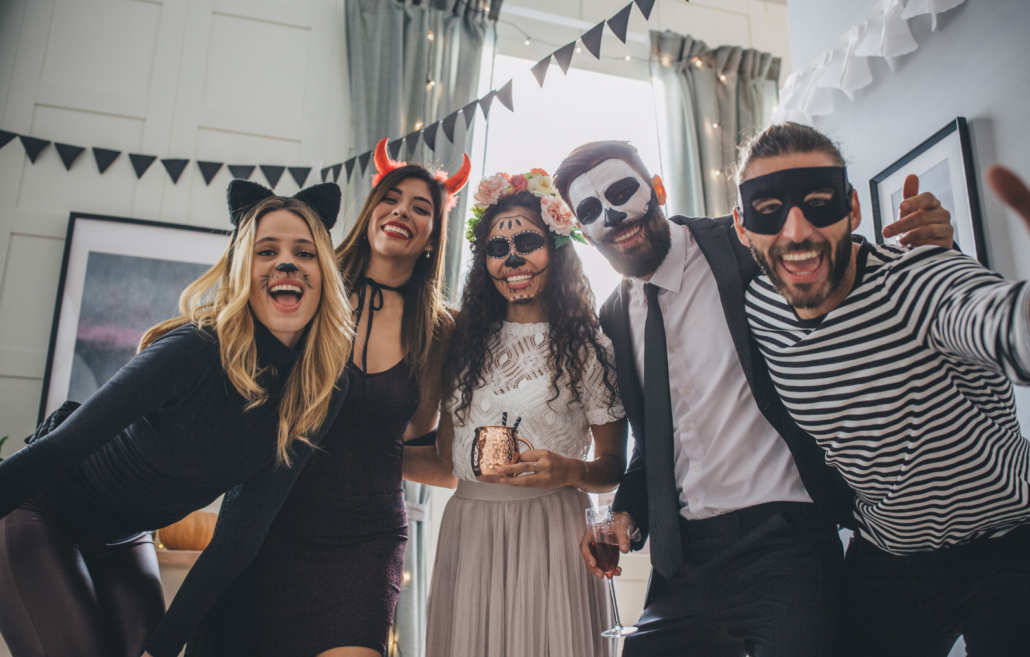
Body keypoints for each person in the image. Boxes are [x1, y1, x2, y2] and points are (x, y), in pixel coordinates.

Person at [552, 140, 956, 656]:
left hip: (784, 537)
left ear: (656, 189)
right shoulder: (613, 319)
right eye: (590, 210)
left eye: (622, 192)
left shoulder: (741, 245)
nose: (613, 216)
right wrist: (628, 515)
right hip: (683, 562)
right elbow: (649, 447)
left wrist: (929, 250)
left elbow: (836, 266)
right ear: (583, 230)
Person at [0, 180, 352, 657]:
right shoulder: (196, 349)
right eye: (266, 251)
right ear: (241, 270)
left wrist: (160, 650)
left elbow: (238, 537)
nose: (285, 263)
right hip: (42, 512)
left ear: (324, 273)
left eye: (304, 253)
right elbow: (60, 448)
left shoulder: (322, 388)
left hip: (124, 537)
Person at [733, 122, 1030, 656]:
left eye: (819, 203)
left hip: (1008, 541)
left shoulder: (915, 281)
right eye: (768, 209)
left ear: (853, 209)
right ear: (741, 225)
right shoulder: (760, 308)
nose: (796, 231)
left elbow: (991, 317)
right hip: (889, 553)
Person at [190, 139, 470, 657]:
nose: (401, 211)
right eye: (391, 198)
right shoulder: (312, 282)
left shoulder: (442, 331)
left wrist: (370, 451)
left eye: (421, 207)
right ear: (370, 212)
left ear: (434, 237)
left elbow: (447, 464)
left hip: (364, 540)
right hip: (270, 519)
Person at [411, 168, 628, 657]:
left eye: (527, 241)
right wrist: (349, 456)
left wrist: (571, 470)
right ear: (483, 261)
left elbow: (614, 466)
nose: (512, 259)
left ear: (556, 248)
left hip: (551, 533)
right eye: (496, 248)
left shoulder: (587, 346)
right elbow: (448, 462)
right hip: (468, 533)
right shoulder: (461, 340)